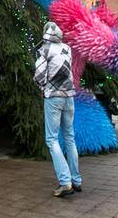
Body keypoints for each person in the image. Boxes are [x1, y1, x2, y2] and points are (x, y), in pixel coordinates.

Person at [34, 21, 80, 198]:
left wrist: (44, 85)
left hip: (53, 97)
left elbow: (39, 74)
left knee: (52, 139)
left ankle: (65, 181)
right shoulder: (67, 48)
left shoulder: (44, 49)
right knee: (69, 137)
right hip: (69, 96)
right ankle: (76, 180)